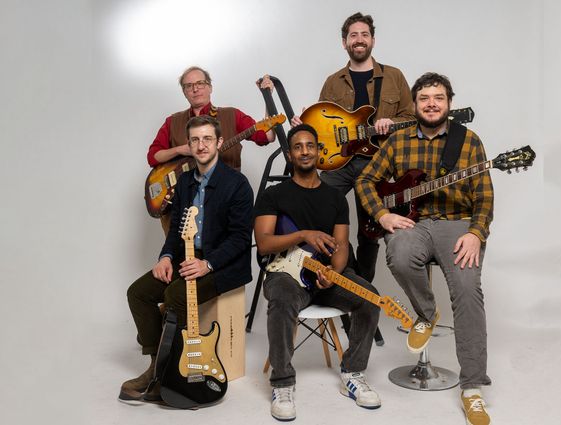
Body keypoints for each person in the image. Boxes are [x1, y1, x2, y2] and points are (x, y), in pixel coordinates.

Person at [356, 72, 494, 425]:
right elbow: (366, 180)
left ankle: (472, 389)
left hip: (457, 225)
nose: (431, 103)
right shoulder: (398, 141)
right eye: (424, 98)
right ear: (414, 104)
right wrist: (383, 214)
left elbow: (484, 196)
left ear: (449, 103)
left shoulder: (468, 141)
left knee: (467, 291)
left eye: (439, 98)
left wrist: (476, 233)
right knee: (398, 255)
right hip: (413, 224)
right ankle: (427, 313)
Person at [120, 115, 254, 402]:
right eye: (195, 140)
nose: (201, 145)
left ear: (219, 142)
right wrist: (166, 257)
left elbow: (241, 239)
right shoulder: (183, 183)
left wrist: (207, 264)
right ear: (189, 145)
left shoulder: (237, 184)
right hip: (186, 257)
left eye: (207, 139)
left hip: (222, 265)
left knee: (176, 295)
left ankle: (169, 372)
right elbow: (175, 231)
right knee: (138, 293)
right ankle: (157, 364)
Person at [253, 124, 381, 421]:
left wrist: (331, 274)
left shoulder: (335, 198)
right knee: (283, 299)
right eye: (298, 146)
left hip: (324, 275)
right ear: (290, 154)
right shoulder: (275, 195)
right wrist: (304, 235)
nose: (305, 151)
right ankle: (282, 383)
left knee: (370, 298)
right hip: (284, 273)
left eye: (310, 145)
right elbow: (263, 244)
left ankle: (353, 373)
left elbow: (341, 247)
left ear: (320, 152)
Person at [292, 12, 414, 284]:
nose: (359, 40)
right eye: (353, 36)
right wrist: (304, 124)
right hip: (339, 163)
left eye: (364, 35)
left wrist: (389, 122)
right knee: (317, 212)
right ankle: (346, 275)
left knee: (369, 231)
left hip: (378, 161)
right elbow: (321, 126)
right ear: (344, 42)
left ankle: (363, 290)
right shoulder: (333, 81)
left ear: (373, 40)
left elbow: (412, 118)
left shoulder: (393, 77)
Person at [147, 66, 275, 234]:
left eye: (200, 83)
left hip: (223, 201)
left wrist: (268, 98)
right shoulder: (173, 121)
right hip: (182, 205)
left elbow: (267, 136)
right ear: (184, 92)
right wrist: (182, 150)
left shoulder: (232, 115)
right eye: (188, 85)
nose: (195, 88)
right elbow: (153, 157)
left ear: (210, 87)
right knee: (180, 257)